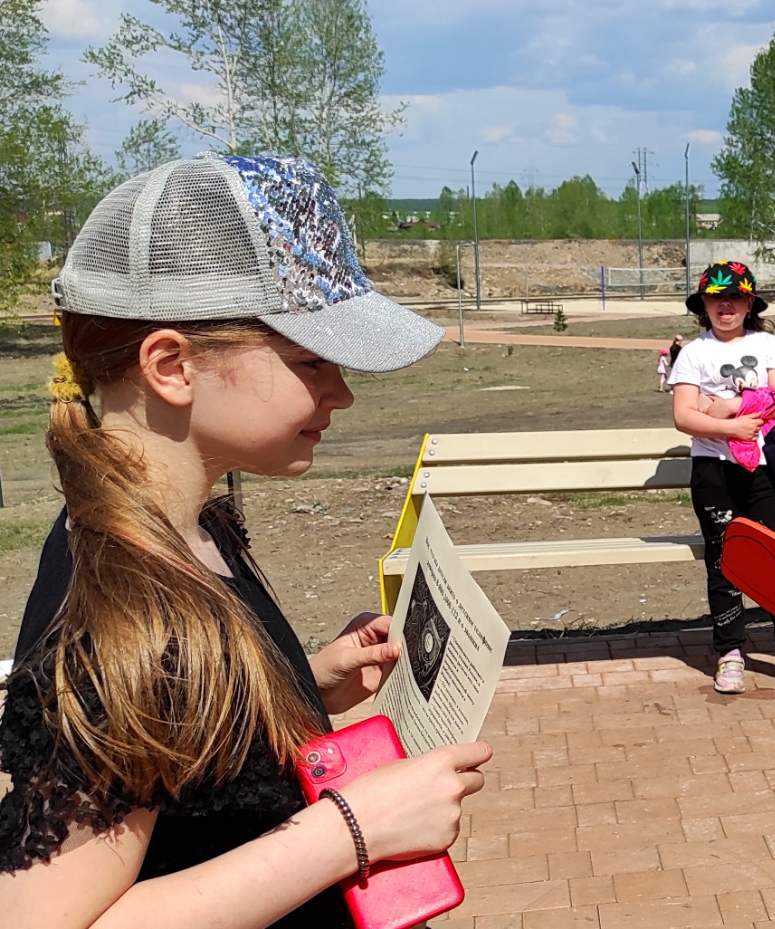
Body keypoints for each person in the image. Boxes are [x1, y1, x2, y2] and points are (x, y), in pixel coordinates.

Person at [0, 154, 492, 929]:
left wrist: (300, 685)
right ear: (171, 364)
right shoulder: (110, 620)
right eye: (309, 360)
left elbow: (168, 755)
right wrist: (348, 833)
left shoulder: (189, 527)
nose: (342, 391)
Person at [669, 261, 775, 695]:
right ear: (704, 306)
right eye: (716, 299)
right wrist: (730, 428)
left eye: (734, 297)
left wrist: (726, 408)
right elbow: (684, 415)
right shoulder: (695, 353)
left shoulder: (767, 343)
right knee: (724, 563)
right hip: (714, 471)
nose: (726, 306)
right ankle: (730, 652)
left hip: (767, 471)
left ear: (749, 302)